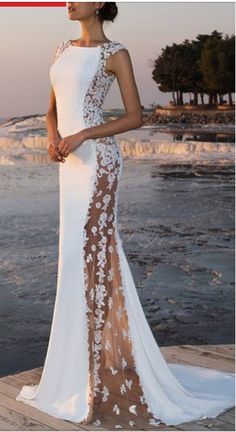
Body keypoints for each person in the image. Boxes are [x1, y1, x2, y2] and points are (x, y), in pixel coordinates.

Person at [16, 2, 235, 429]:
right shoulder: (62, 48)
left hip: (98, 164)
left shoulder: (114, 53)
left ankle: (99, 369)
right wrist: (52, 134)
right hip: (70, 168)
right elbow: (51, 110)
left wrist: (82, 133)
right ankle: (79, 366)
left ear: (99, 3)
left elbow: (136, 116)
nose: (68, 2)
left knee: (97, 258)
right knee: (74, 260)